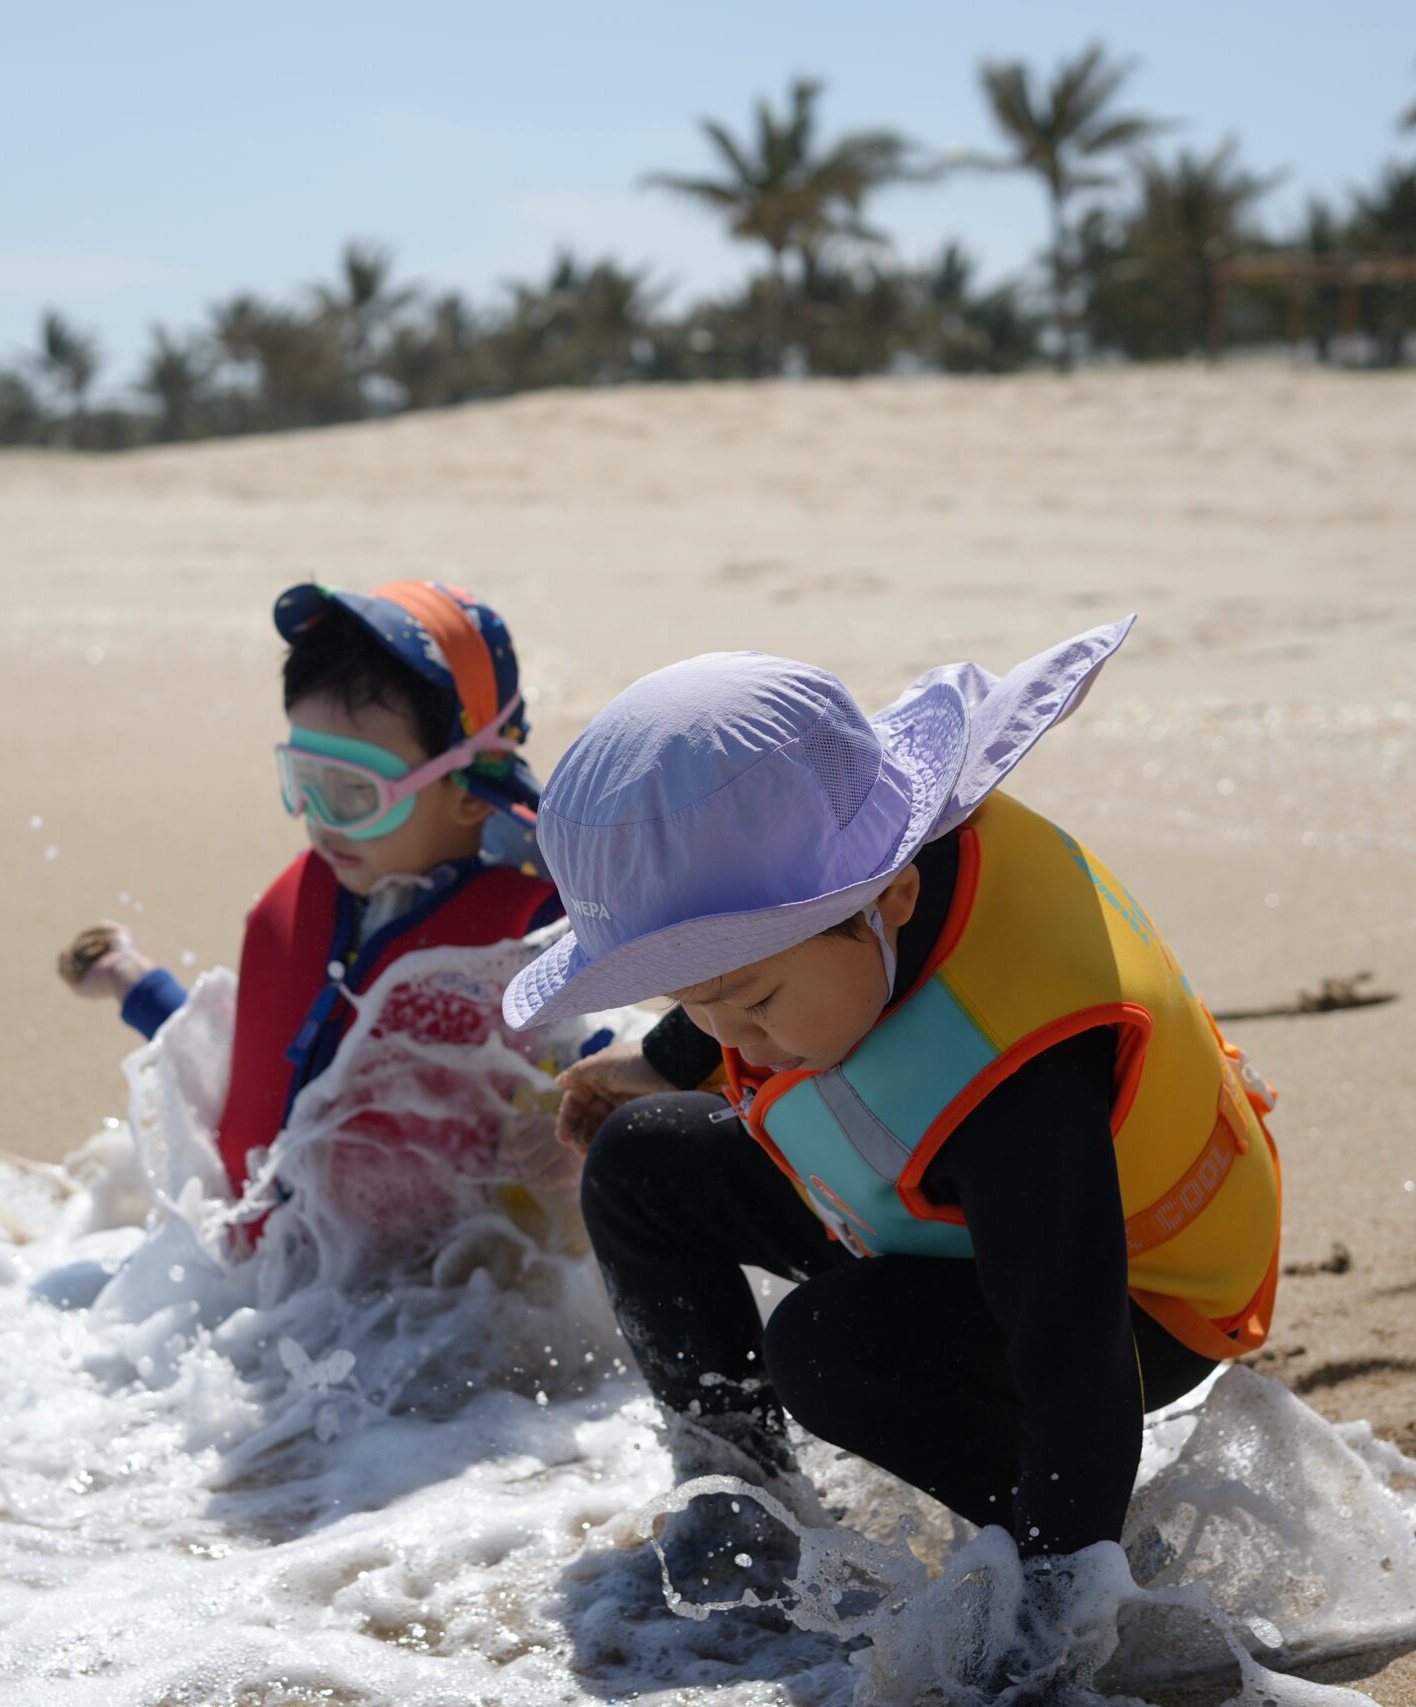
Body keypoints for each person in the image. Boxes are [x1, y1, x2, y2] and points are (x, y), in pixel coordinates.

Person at [499, 617, 1283, 1607]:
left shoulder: (1016, 1078)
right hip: (947, 1218)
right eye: (692, 1002)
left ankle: (1089, 1561)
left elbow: (1075, 1364)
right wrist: (661, 1059)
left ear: (893, 896)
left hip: (1137, 1295)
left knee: (830, 1348)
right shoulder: (840, 888)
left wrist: (1063, 1613)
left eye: (755, 1003)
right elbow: (739, 968)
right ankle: (737, 1495)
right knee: (638, 1162)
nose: (736, 1046)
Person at [62, 580, 566, 1230]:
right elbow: (237, 1063)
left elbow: (620, 1061)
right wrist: (135, 983)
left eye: (354, 792)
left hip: (417, 1291)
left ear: (470, 793)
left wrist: (579, 1130)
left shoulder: (530, 941)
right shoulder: (318, 895)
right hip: (243, 1270)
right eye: (305, 782)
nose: (321, 819)